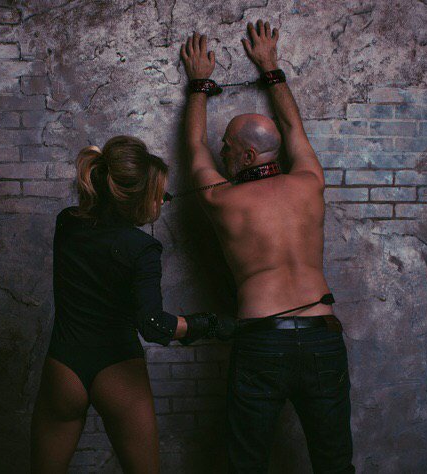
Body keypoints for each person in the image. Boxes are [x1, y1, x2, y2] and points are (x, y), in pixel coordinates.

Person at [180, 21, 354, 474]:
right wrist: (270, 68)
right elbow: (293, 126)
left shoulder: (224, 201)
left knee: (247, 466)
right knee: (335, 464)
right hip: (322, 336)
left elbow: (193, 146)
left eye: (228, 147)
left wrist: (198, 85)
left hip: (262, 341)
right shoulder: (310, 182)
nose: (221, 151)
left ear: (247, 156)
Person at [30, 136, 231, 473]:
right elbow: (153, 325)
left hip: (63, 368)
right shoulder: (142, 248)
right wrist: (209, 324)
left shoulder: (66, 223)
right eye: (158, 193)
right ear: (135, 199)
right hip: (116, 369)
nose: (163, 199)